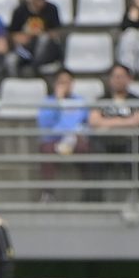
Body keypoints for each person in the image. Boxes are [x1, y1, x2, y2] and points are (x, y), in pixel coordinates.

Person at [87, 63, 139, 202]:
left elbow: (138, 121)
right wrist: (124, 122)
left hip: (128, 141)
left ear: (128, 79)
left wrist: (108, 123)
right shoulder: (102, 99)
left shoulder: (136, 100)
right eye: (115, 77)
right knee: (94, 153)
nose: (117, 80)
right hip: (105, 141)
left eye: (121, 77)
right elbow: (94, 121)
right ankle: (94, 199)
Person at [36, 69, 89, 202]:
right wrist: (58, 103)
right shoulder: (48, 102)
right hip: (54, 140)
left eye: (68, 82)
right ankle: (48, 193)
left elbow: (87, 122)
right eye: (61, 82)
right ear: (55, 84)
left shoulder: (80, 101)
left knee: (88, 150)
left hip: (75, 139)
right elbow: (45, 124)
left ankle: (89, 192)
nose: (65, 85)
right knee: (46, 151)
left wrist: (77, 133)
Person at [6, 0, 62, 78]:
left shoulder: (51, 9)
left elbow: (56, 33)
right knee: (10, 59)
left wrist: (40, 33)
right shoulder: (19, 10)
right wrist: (26, 35)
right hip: (26, 49)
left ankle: (34, 67)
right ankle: (14, 83)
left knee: (44, 39)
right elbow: (13, 35)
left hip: (47, 50)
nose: (39, 2)